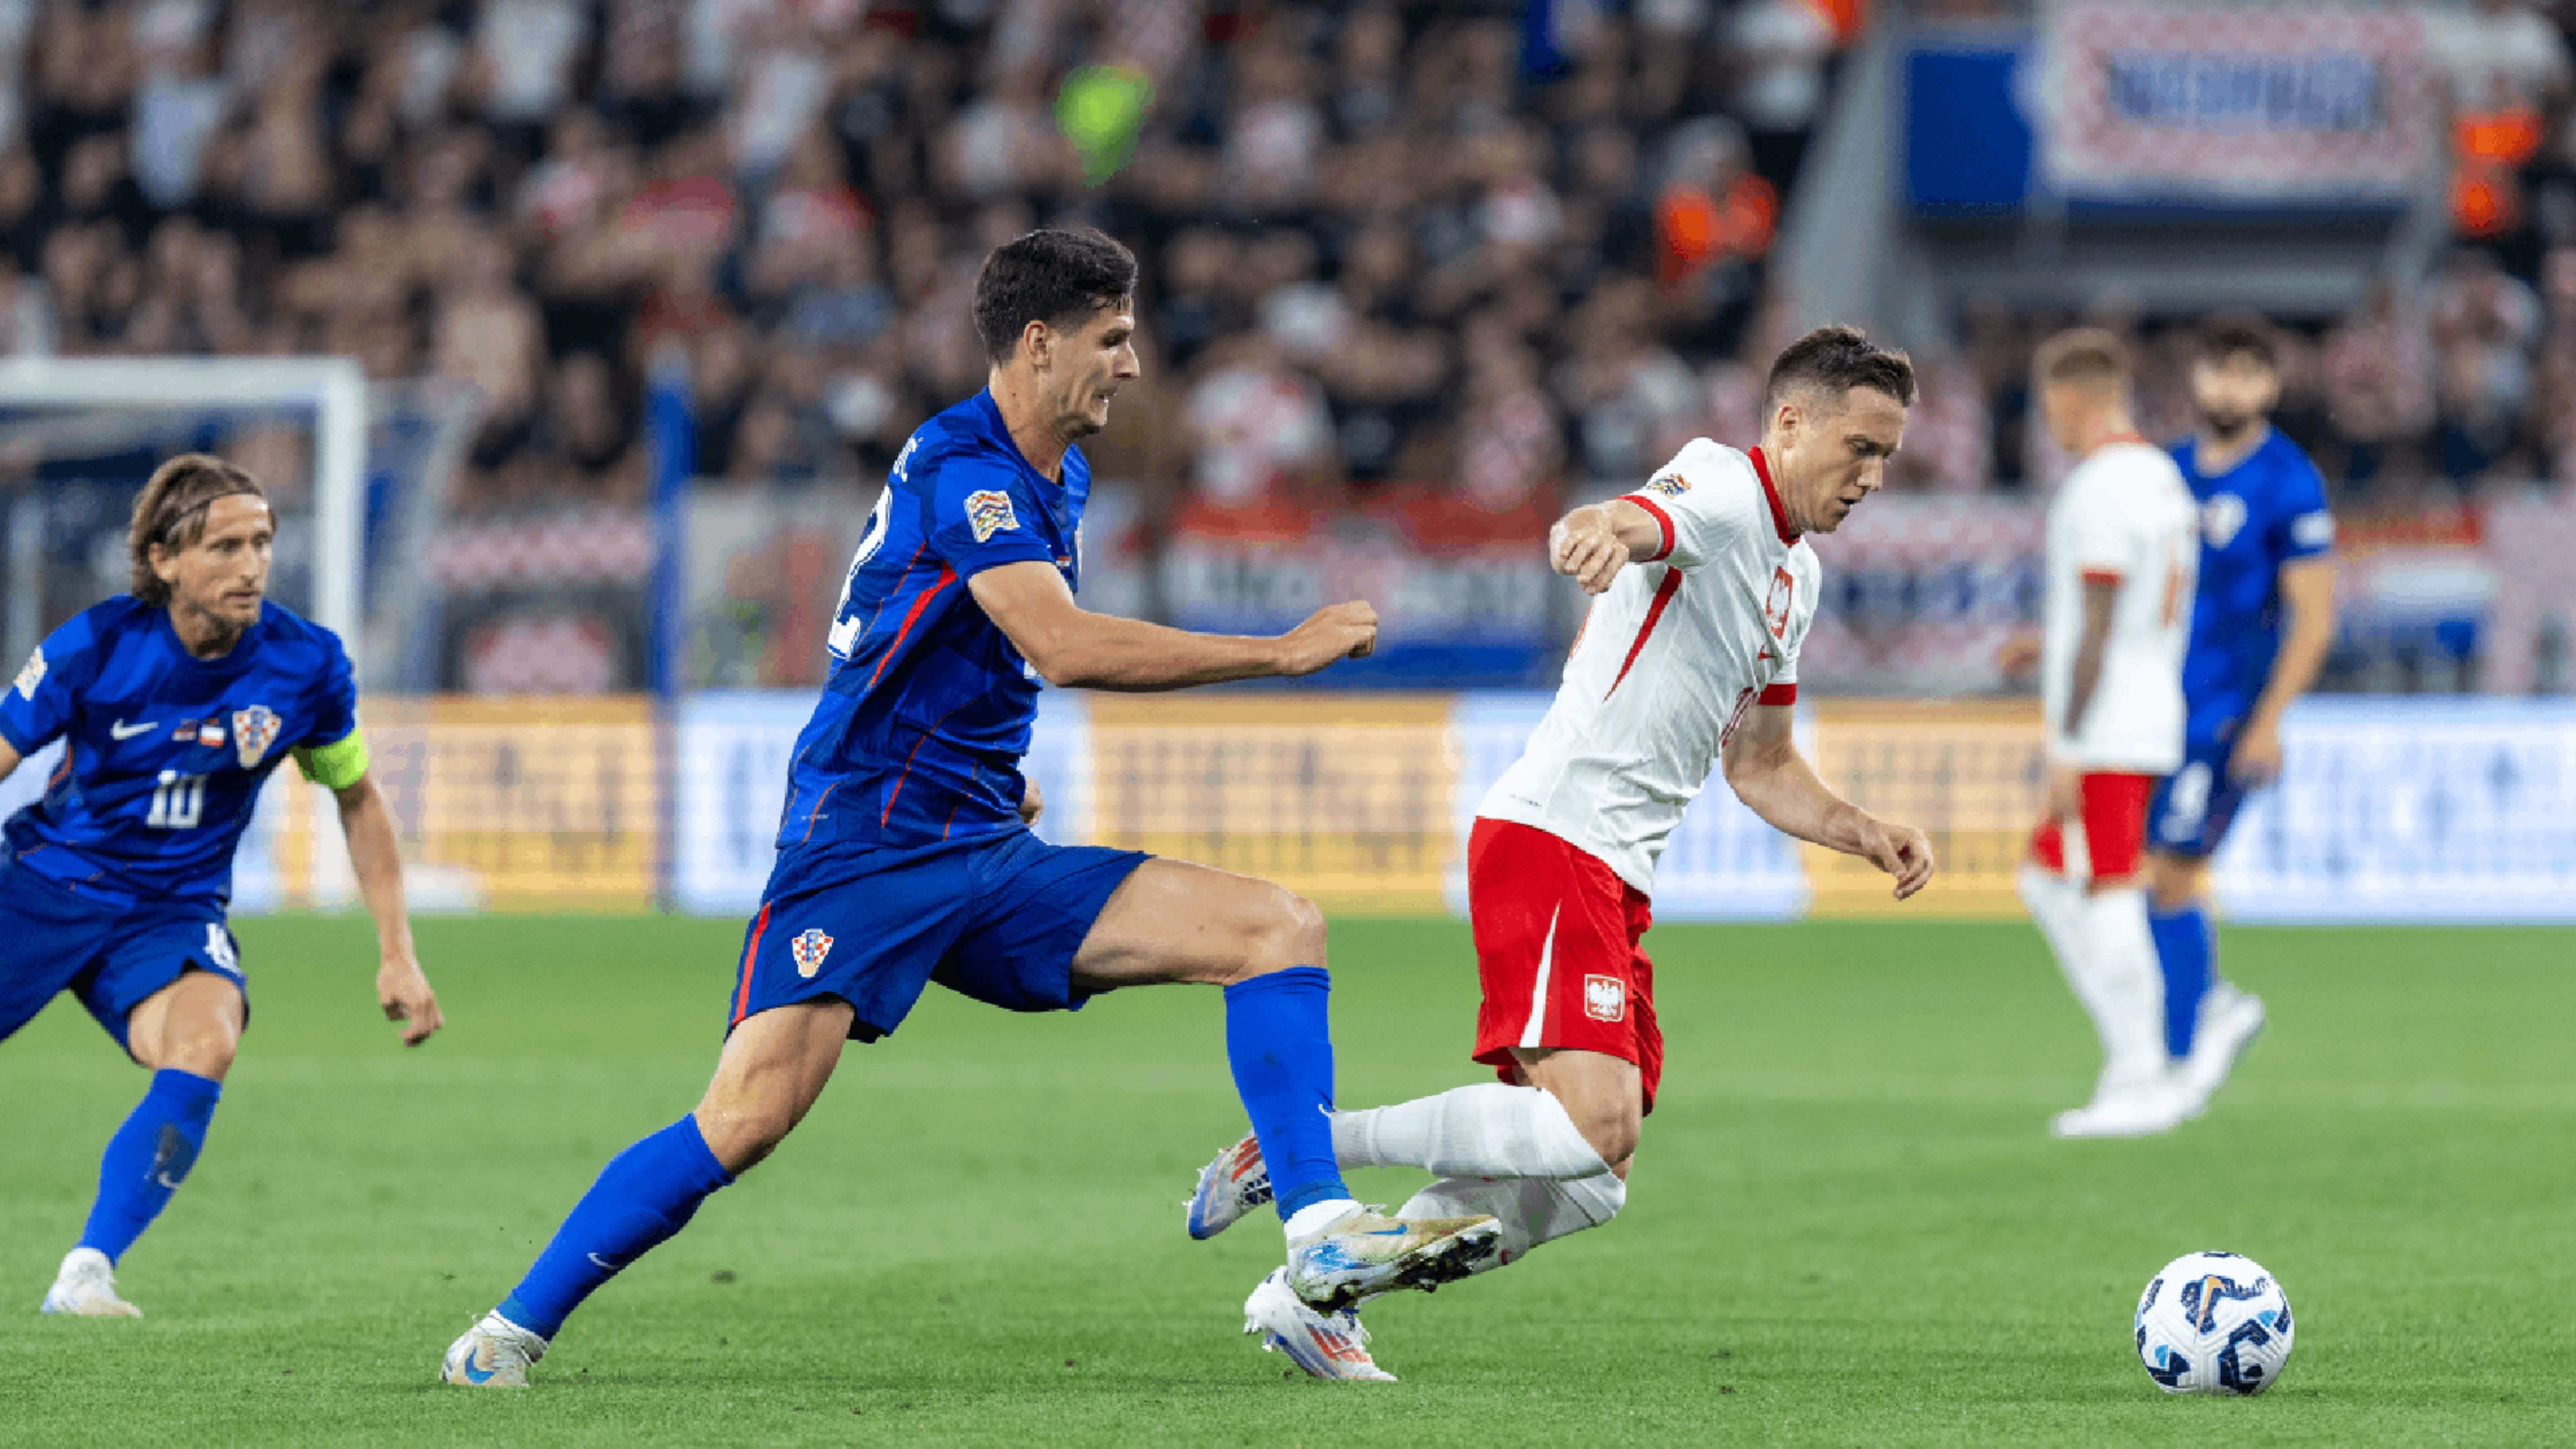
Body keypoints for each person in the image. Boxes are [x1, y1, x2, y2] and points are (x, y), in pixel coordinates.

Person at [439, 228, 1499, 1388]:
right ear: (1039, 344)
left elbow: (977, 649)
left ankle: (1317, 1242)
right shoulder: (970, 473)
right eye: (1113, 339)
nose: (1133, 364)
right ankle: (503, 1336)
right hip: (866, 847)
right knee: (744, 1120)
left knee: (1276, 928)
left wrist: (993, 765)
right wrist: (1279, 652)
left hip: (982, 840)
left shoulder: (1057, 473)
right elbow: (1062, 645)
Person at [1183, 326, 1939, 1379]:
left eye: (1887, 457)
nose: (1872, 477)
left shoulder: (1794, 577)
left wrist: (1863, 830)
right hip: (1554, 837)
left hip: (1615, 874)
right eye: (1860, 447)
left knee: (1589, 1182)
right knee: (1594, 1126)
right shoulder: (1726, 486)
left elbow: (1761, 763)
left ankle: (1318, 1297)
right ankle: (1303, 1147)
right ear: (1789, 423)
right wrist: (1597, 529)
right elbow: (1638, 517)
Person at [0, 454, 441, 1317]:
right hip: (46, 886)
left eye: (262, 543)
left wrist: (399, 952)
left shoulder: (305, 665)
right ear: (163, 560)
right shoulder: (95, 646)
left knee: (207, 1041)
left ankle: (87, 1271)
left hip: (171, 912)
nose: (252, 566)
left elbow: (358, 799)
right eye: (226, 547)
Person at [2012, 330, 2202, 1138]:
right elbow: (2119, 613)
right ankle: (2142, 1062)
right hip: (2149, 704)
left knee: (2106, 890)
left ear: (2071, 400)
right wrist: (2047, 645)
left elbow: (2096, 624)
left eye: (2047, 407)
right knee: (2051, 879)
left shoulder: (2096, 488)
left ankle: (2139, 1076)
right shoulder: (2163, 477)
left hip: (2106, 726)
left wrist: (2067, 742)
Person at [2147, 317, 2337, 1118]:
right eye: (2217, 370)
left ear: (2271, 386)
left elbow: (2313, 616)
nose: (2230, 387)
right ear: (2194, 379)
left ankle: (2183, 1050)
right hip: (2151, 709)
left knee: (2171, 870)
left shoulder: (2288, 481)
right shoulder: (2165, 472)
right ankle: (2202, 1016)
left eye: (2247, 373)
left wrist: (2268, 720)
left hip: (2225, 713)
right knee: (2141, 877)